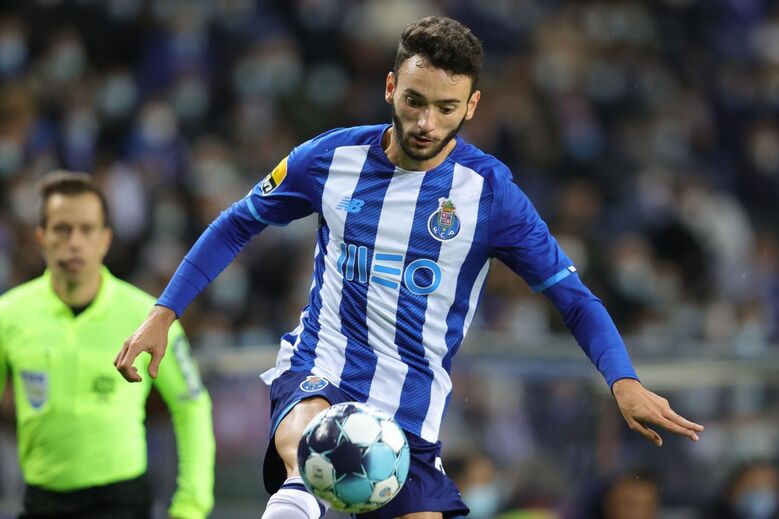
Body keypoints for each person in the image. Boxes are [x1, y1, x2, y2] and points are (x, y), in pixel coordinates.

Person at [115, 16, 704, 519]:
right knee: (313, 451)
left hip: (411, 412)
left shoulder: (490, 196)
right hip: (322, 367)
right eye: (415, 102)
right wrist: (165, 312)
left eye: (446, 108)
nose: (426, 123)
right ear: (391, 86)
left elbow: (572, 298)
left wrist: (622, 379)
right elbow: (237, 222)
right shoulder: (330, 158)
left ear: (471, 106)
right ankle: (298, 494)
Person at [0, 171, 215, 519]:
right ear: (41, 238)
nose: (74, 242)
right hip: (41, 501)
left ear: (105, 240)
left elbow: (192, 405)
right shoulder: (9, 315)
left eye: (87, 229)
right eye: (62, 229)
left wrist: (191, 506)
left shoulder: (149, 318)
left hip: (122, 502)